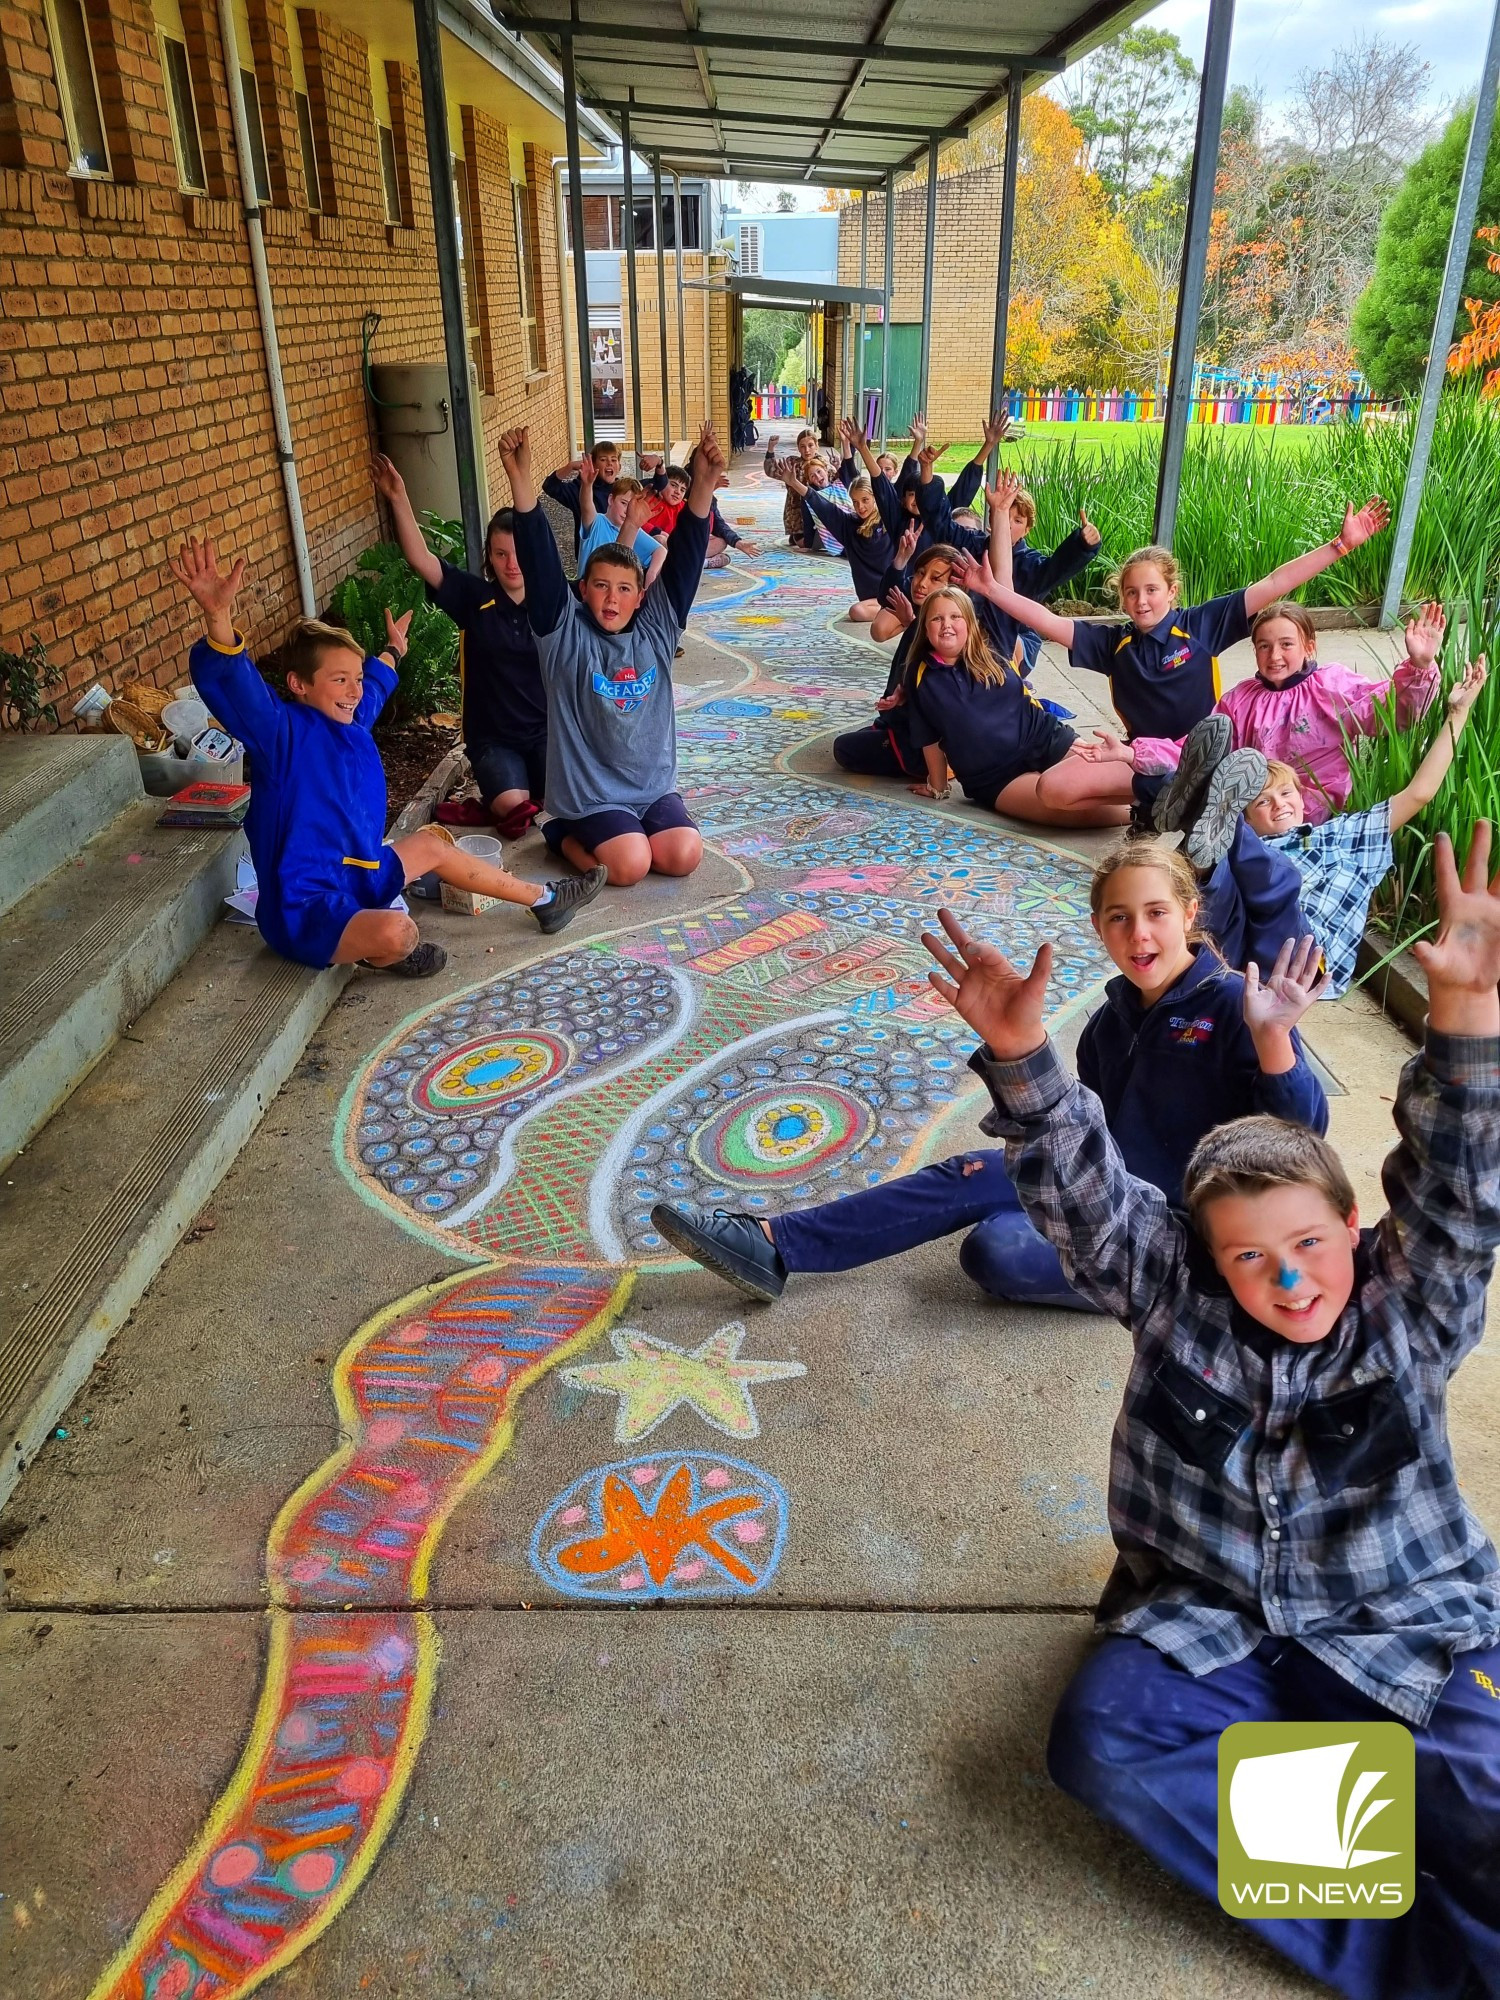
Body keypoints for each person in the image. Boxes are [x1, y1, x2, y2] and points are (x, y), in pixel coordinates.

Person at [924, 825, 1500, 2000]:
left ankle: (1427, 1851)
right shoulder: (1169, 1286)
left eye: (1306, 1244)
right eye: (1247, 1257)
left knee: (1485, 1806)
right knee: (1103, 1740)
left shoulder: (1410, 1302)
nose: (1288, 1280)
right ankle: (1420, 1955)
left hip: (1404, 1622)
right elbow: (1088, 1198)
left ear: (1354, 1230)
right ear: (1201, 1256)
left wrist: (1467, 1027)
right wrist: (1027, 1053)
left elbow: (1456, 1184)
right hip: (1212, 1623)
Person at [651, 838, 1327, 1306]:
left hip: (1180, 1234)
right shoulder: (1110, 1019)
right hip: (1108, 1186)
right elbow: (1074, 1126)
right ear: (1099, 929)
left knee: (997, 1250)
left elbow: (1303, 1136)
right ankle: (771, 1243)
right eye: (1119, 918)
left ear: (1188, 913)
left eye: (1155, 913)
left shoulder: (1238, 1003)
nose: (1139, 934)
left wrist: (1275, 1042)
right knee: (968, 1174)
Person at [173, 536, 605, 974]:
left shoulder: (351, 718)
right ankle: (382, 950)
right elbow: (238, 685)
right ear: (299, 684)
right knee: (401, 933)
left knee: (431, 844)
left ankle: (546, 900)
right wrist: (218, 618)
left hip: (360, 876)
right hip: (305, 911)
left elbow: (376, 687)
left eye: (354, 677)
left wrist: (393, 651)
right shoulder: (279, 732)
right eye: (339, 680)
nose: (353, 690)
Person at [967, 494, 1391, 742]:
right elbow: (1044, 620)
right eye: (1131, 592)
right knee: (1059, 790)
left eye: (1152, 590)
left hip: (1202, 750)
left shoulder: (1202, 624)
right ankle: (1148, 805)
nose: (1141, 600)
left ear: (1172, 591)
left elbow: (1274, 583)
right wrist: (991, 591)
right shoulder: (1115, 645)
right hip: (1144, 754)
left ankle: (1183, 799)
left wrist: (1340, 546)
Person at [501, 421, 719, 888]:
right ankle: (561, 834)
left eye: (624, 589)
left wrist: (701, 485)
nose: (612, 599)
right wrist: (521, 484)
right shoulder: (564, 634)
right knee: (630, 865)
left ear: (640, 597)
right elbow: (539, 566)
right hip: (593, 795)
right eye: (600, 586)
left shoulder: (657, 628)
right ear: (583, 590)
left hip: (651, 788)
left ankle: (627, 831)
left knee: (684, 854)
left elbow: (683, 567)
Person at [1242, 656, 1488, 996]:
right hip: (1247, 953)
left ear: (1302, 799)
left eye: (1285, 793)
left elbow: (1419, 793)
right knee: (1222, 875)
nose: (1279, 804)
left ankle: (1210, 819)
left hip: (1306, 958)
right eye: (1262, 801)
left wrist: (1456, 716)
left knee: (1261, 878)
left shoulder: (1342, 836)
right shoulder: (1250, 848)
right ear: (1250, 818)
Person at [1109, 600, 1446, 825]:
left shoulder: (1333, 685)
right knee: (1155, 780)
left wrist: (1420, 666)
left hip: (1313, 809)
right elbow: (1195, 750)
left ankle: (1215, 839)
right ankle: (1207, 835)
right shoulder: (1242, 699)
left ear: (1309, 646)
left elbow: (1393, 709)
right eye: (1264, 646)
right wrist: (1132, 752)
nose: (1275, 656)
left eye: (1287, 644)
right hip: (1257, 804)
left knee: (1248, 829)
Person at [371, 453, 550, 842]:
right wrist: (399, 497)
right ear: (489, 556)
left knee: (564, 797)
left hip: (545, 733)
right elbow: (422, 559)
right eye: (500, 553)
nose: (511, 563)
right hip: (493, 738)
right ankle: (503, 791)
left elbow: (601, 583)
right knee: (514, 806)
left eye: (519, 553)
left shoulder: (552, 601)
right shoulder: (475, 597)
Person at [903, 586, 1130, 829]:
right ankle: (1145, 814)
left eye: (955, 616)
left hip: (1044, 739)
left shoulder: (994, 648)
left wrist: (986, 582)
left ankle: (1163, 788)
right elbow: (929, 738)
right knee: (1064, 810)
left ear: (970, 623)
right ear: (925, 629)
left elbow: (1003, 586)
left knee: (1108, 775)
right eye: (937, 618)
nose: (946, 624)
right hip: (998, 777)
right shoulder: (920, 677)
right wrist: (937, 785)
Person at [929, 462, 1100, 677]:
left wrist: (1084, 545)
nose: (1008, 524)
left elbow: (1056, 568)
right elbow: (939, 523)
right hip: (968, 629)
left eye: (1017, 520)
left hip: (1014, 640)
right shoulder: (972, 544)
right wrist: (927, 474)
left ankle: (1010, 681)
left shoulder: (1031, 564)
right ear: (991, 518)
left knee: (1000, 640)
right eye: (1003, 515)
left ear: (1027, 529)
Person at [831, 540, 959, 778]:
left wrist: (911, 624)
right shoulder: (924, 616)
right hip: (903, 722)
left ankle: (935, 764)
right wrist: (901, 559)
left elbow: (935, 680)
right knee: (863, 736)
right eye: (920, 573)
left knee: (844, 748)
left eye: (935, 578)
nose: (921, 583)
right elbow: (886, 596)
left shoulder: (946, 629)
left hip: (920, 738)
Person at [772, 457, 895, 623]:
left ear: (875, 498)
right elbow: (821, 505)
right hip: (871, 601)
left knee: (860, 611)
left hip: (895, 592)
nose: (861, 507)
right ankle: (897, 612)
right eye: (856, 502)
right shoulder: (849, 526)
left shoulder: (889, 520)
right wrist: (794, 483)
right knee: (857, 611)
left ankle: (901, 610)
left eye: (865, 500)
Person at [576, 461, 667, 589]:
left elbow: (660, 550)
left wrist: (651, 574)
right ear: (610, 500)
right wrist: (587, 485)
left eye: (631, 507)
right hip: (588, 593)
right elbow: (586, 506)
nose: (627, 511)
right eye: (624, 503)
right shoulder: (596, 522)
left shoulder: (632, 528)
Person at [543, 443, 620, 557]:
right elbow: (550, 486)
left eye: (613, 460)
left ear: (619, 466)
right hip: (590, 557)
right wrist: (570, 466)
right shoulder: (579, 489)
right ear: (593, 464)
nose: (609, 463)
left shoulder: (622, 489)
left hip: (619, 555)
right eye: (603, 459)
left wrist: (657, 465)